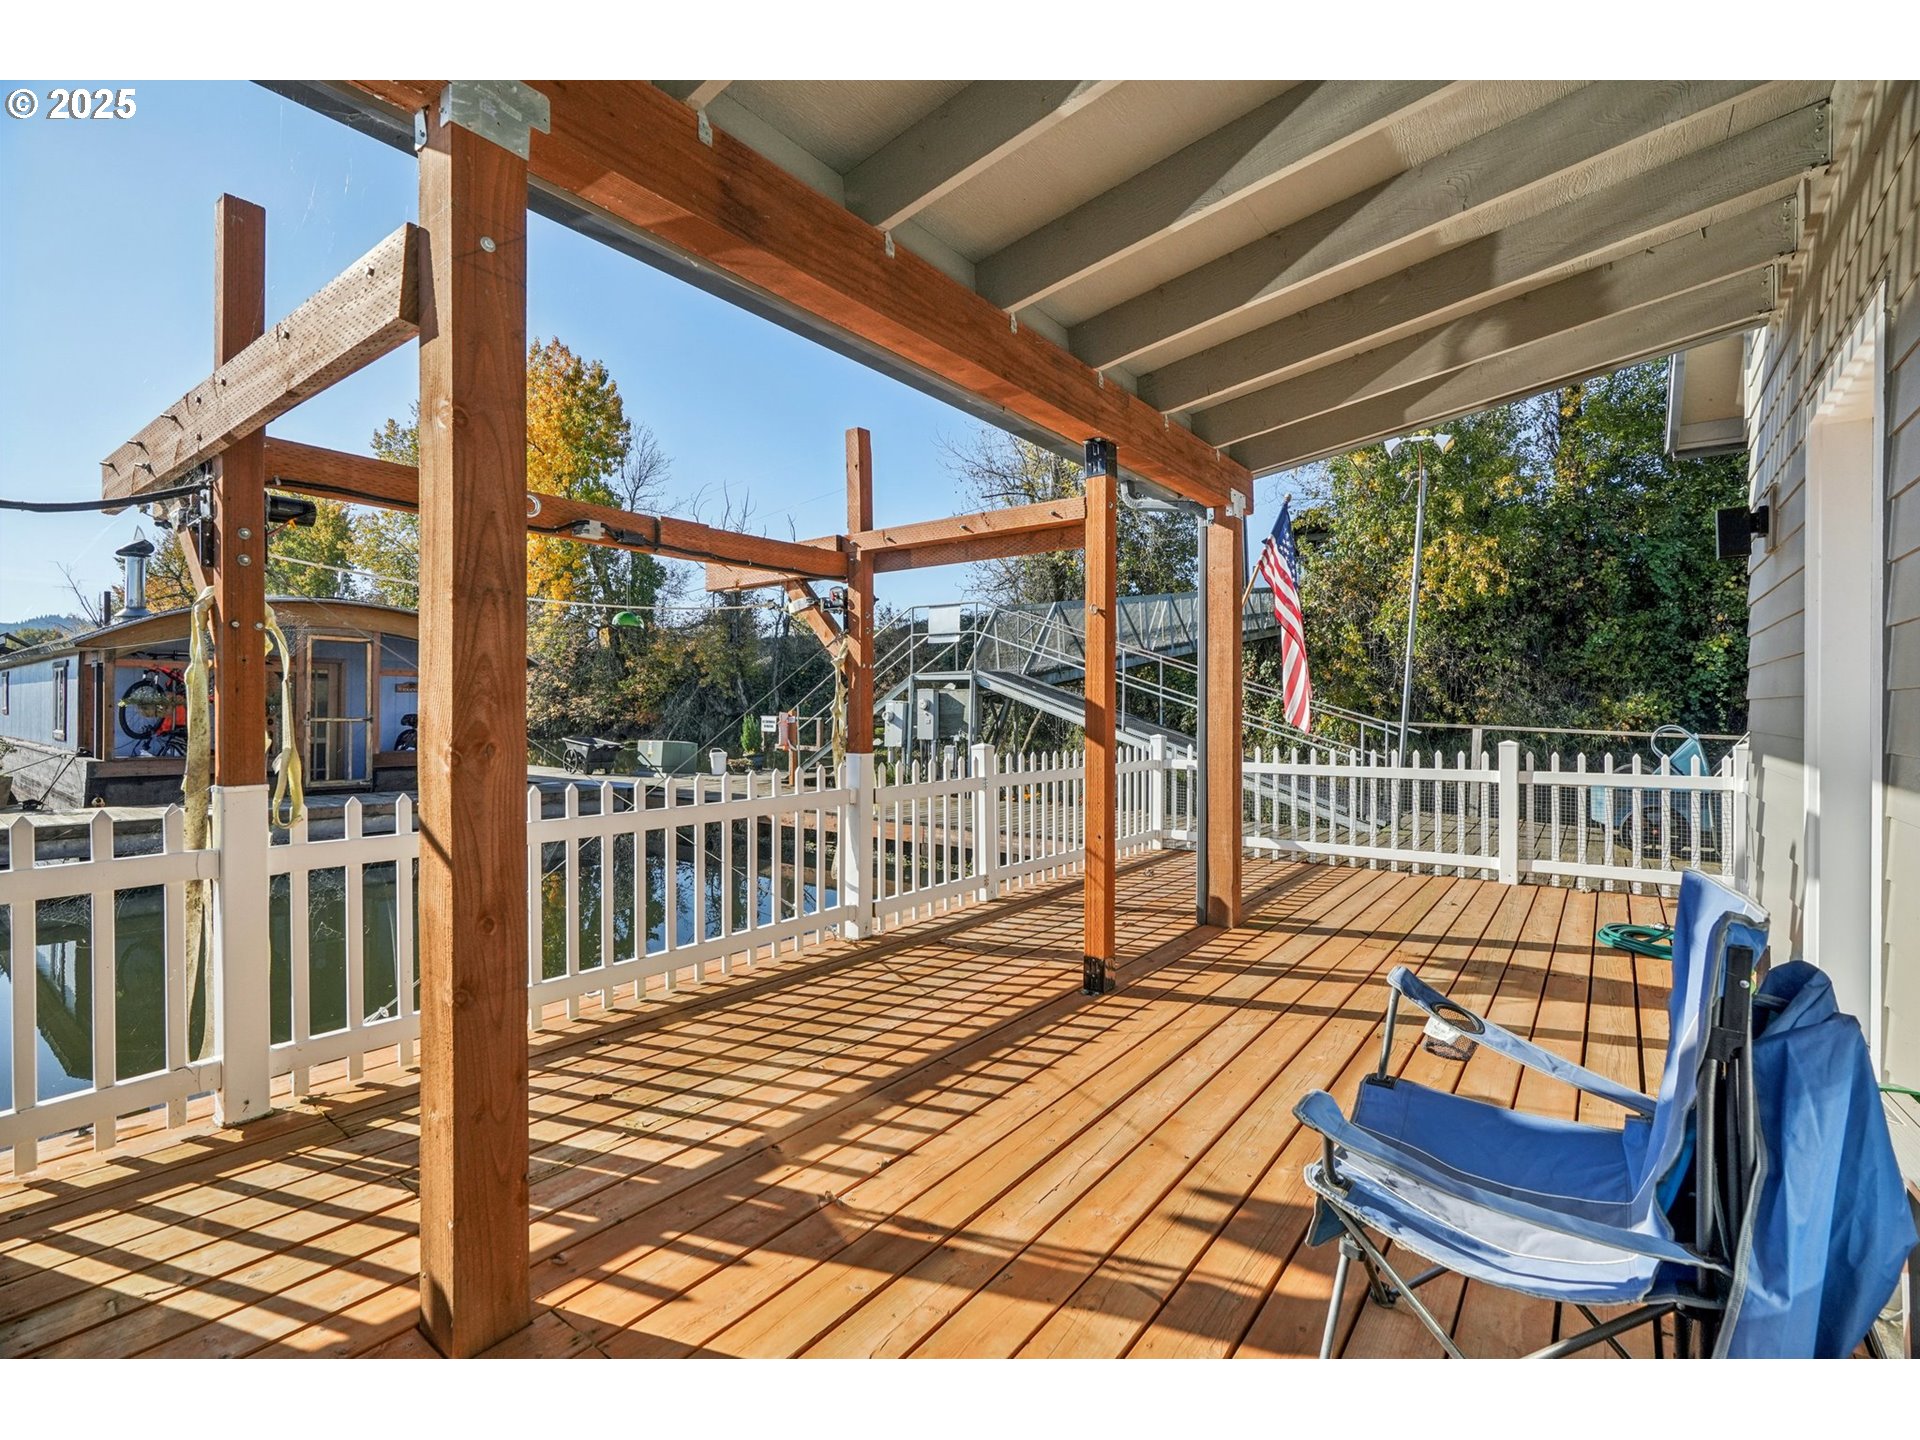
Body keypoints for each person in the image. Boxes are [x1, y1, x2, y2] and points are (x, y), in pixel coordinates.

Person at [775, 709, 799, 787]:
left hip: (788, 742)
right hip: (787, 742)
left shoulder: (786, 722)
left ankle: (792, 778)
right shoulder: (783, 723)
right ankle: (791, 778)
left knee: (792, 747)